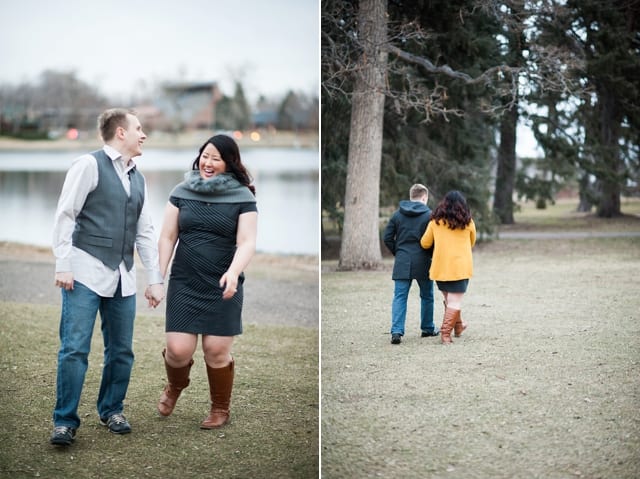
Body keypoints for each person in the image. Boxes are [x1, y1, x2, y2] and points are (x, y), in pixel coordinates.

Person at [50, 108, 165, 446]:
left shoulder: (138, 178)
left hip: (122, 277)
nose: (143, 135)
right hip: (83, 271)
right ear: (120, 133)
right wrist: (63, 263)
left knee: (121, 351)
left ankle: (112, 409)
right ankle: (64, 422)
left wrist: (154, 278)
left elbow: (144, 233)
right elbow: (65, 215)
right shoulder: (88, 165)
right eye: (139, 129)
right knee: (74, 349)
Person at [155, 134, 257, 429]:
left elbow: (247, 242)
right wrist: (157, 277)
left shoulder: (243, 197)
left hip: (224, 284)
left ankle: (220, 409)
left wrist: (234, 272)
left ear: (229, 164)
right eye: (205, 155)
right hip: (185, 282)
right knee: (177, 350)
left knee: (216, 351)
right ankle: (175, 385)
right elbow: (167, 236)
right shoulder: (181, 190)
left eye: (216, 158)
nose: (208, 162)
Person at [383, 184, 439, 345]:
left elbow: (387, 237)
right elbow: (434, 240)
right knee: (427, 296)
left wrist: (398, 252)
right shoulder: (430, 215)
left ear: (411, 196)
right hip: (424, 261)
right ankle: (427, 328)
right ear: (424, 197)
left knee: (400, 296)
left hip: (402, 261)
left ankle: (396, 331)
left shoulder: (397, 215)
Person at [420, 190, 476, 344]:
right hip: (460, 267)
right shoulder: (468, 222)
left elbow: (425, 243)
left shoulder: (435, 222)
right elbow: (472, 242)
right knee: (454, 302)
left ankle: (458, 326)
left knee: (449, 300)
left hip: (441, 267)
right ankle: (445, 335)